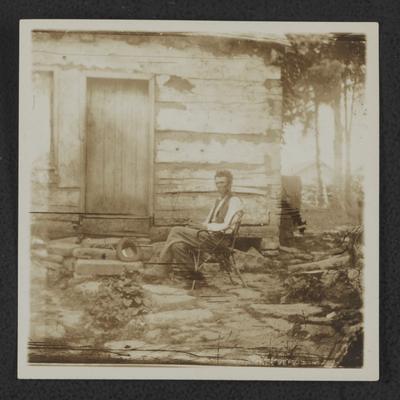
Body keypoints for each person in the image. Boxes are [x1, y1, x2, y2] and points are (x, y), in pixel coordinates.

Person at [159, 170, 243, 268]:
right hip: (209, 237)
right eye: (217, 183)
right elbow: (207, 222)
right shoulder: (219, 201)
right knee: (177, 246)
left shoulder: (234, 200)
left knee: (175, 230)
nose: (219, 186)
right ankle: (195, 277)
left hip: (220, 240)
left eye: (222, 182)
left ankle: (160, 267)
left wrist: (205, 226)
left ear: (229, 184)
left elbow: (227, 227)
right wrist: (196, 225)